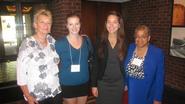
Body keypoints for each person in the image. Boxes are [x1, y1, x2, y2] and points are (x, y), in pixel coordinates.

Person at [16, 9, 62, 104]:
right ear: (35, 25)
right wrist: (28, 96)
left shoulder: (52, 41)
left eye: (48, 22)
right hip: (36, 96)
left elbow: (57, 62)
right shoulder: (27, 44)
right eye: (42, 22)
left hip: (55, 91)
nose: (46, 25)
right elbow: (21, 74)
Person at [55, 13, 93, 104]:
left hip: (84, 81)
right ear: (66, 26)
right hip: (67, 82)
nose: (74, 27)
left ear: (80, 24)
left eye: (77, 24)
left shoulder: (87, 40)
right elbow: (54, 63)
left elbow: (91, 57)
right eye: (71, 24)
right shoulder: (59, 43)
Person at [91, 11, 127, 104]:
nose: (111, 25)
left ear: (119, 25)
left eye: (114, 22)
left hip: (119, 83)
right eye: (109, 22)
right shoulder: (99, 41)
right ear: (105, 24)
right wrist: (94, 85)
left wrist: (126, 82)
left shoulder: (125, 42)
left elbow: (127, 64)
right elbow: (95, 64)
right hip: (103, 83)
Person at [124, 25, 165, 104]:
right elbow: (126, 66)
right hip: (131, 89)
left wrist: (158, 98)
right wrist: (126, 83)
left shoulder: (157, 53)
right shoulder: (131, 47)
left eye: (143, 37)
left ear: (148, 38)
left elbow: (159, 78)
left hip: (146, 90)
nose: (140, 39)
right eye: (137, 36)